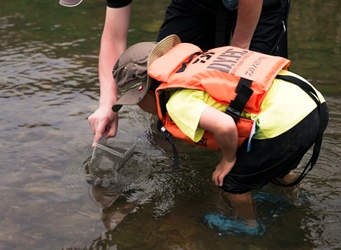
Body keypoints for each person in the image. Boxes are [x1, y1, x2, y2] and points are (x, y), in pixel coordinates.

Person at [110, 34, 329, 225]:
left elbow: (224, 126)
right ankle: (294, 203)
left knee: (232, 182)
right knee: (280, 170)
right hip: (313, 103)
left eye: (136, 101)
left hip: (285, 124)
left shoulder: (178, 102)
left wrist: (229, 159)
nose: (139, 107)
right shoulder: (199, 64)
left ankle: (247, 228)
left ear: (148, 92)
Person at [59, 0, 291, 146]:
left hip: (259, 5)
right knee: (161, 81)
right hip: (194, 4)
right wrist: (107, 104)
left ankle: (277, 174)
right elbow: (113, 37)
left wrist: (238, 52)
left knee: (256, 97)